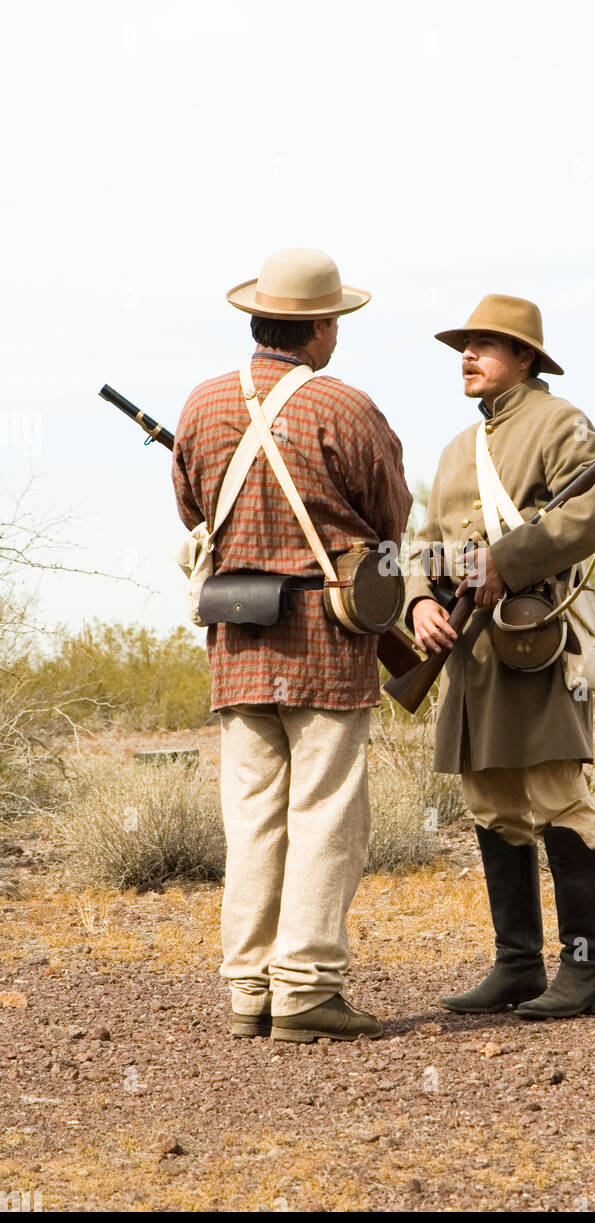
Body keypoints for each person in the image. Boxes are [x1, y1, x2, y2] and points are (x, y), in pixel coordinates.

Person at [172, 248, 412, 1043]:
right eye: (334, 320)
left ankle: (248, 990)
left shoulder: (202, 405)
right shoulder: (344, 406)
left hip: (236, 641)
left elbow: (189, 507)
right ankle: (306, 988)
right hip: (326, 643)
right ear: (318, 326)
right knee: (324, 816)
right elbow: (392, 516)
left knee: (251, 820)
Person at [405, 294, 595, 1019]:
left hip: (536, 640)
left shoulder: (559, 423)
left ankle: (584, 973)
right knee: (493, 802)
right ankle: (518, 964)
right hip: (471, 652)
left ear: (525, 357)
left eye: (484, 345)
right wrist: (420, 602)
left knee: (560, 796)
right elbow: (424, 545)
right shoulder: (454, 451)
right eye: (463, 346)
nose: (466, 356)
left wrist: (509, 558)